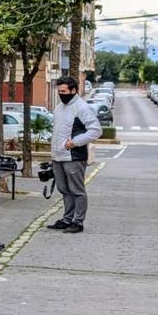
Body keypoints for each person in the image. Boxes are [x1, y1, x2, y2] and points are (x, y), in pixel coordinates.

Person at [46, 76, 102, 233]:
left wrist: (75, 142)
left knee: (77, 190)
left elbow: (96, 130)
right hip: (58, 156)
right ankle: (67, 218)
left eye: (63, 91)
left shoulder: (82, 108)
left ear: (74, 91)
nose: (61, 94)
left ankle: (78, 222)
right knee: (64, 189)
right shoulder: (59, 108)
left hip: (74, 156)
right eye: (59, 91)